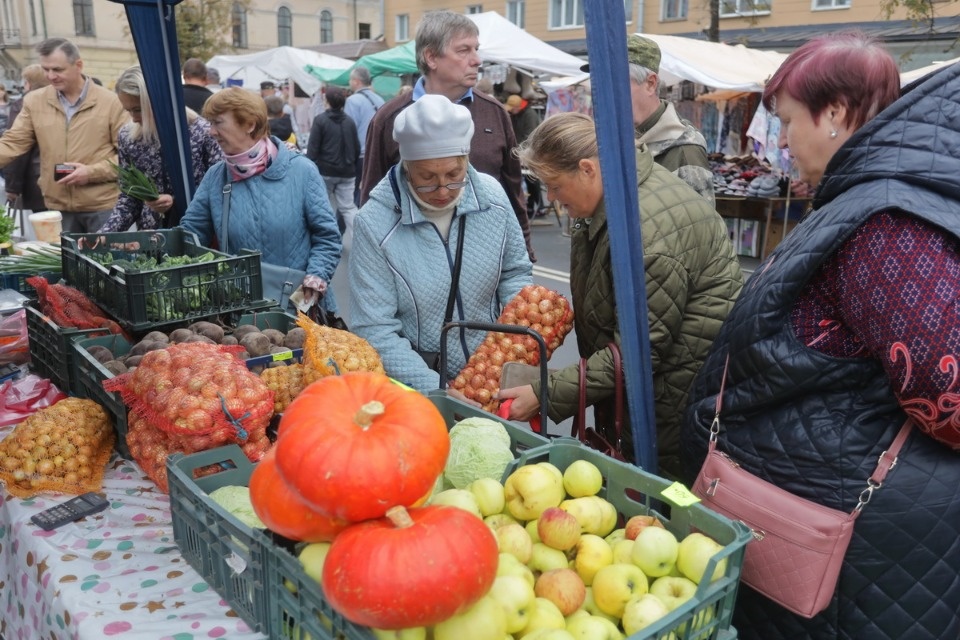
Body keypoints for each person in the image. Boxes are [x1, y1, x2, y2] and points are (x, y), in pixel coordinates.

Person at [681, 33, 960, 639]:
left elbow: (948, 396)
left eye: (785, 122)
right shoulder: (867, 201)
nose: (780, 142)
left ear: (834, 112)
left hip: (851, 555)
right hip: (822, 521)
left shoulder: (884, 222)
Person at [498, 112, 742, 479]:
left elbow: (636, 354)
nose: (550, 197)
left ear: (587, 169)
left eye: (554, 184)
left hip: (674, 403)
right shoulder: (616, 200)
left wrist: (545, 392)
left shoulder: (645, 232)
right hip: (653, 394)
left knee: (660, 500)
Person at [350, 94, 532, 392]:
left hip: (493, 374)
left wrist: (512, 346)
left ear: (467, 161)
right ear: (406, 166)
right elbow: (375, 327)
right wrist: (438, 389)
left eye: (454, 174)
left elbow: (514, 272)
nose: (443, 190)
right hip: (419, 381)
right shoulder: (375, 222)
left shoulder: (493, 198)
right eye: (427, 178)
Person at [360, 10, 536, 262]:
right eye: (464, 50)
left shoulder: (494, 113)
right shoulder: (389, 119)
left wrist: (524, 255)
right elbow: (372, 201)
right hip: (415, 266)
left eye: (476, 49)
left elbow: (513, 195)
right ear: (431, 56)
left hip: (485, 263)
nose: (477, 60)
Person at [179, 88, 342, 313]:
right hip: (240, 313)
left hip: (300, 310)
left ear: (250, 124)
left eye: (218, 123)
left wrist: (314, 281)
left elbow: (327, 237)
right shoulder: (216, 177)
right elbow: (191, 235)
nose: (211, 132)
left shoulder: (301, 171)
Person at [0, 37, 128, 232]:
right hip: (56, 207)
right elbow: (13, 143)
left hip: (102, 206)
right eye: (46, 69)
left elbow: (129, 158)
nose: (50, 76)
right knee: (64, 262)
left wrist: (91, 172)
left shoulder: (111, 103)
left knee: (106, 262)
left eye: (57, 70)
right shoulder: (35, 101)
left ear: (78, 65)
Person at [584, 35, 713, 205]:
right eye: (598, 83)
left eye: (613, 82)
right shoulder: (610, 137)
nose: (602, 93)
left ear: (651, 84)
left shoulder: (683, 151)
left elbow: (699, 227)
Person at [99, 65, 222, 232]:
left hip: (197, 235)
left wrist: (175, 200)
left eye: (138, 110)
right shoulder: (129, 137)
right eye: (128, 111)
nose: (134, 118)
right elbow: (130, 196)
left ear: (157, 102)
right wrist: (105, 234)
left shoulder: (201, 132)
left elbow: (217, 187)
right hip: (151, 239)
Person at [306, 86, 359, 242]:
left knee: (324, 207)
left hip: (325, 170)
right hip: (348, 171)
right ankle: (361, 240)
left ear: (326, 101)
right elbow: (356, 147)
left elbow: (312, 149)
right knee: (348, 208)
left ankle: (326, 241)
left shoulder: (320, 120)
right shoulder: (349, 121)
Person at [4, 65, 49, 215]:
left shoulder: (24, 104)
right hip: (64, 178)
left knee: (46, 231)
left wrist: (12, 187)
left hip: (36, 180)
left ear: (30, 83)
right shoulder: (59, 101)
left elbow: (17, 148)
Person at [344, 66, 384, 206]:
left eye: (350, 80)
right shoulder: (380, 99)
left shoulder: (352, 101)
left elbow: (349, 130)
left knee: (353, 194)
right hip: (378, 153)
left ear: (356, 81)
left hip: (360, 155)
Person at [505, 94, 545, 217]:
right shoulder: (518, 114)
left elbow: (530, 136)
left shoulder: (529, 115)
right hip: (523, 150)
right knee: (529, 180)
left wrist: (517, 149)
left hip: (531, 151)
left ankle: (539, 206)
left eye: (512, 108)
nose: (511, 110)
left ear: (518, 106)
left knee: (532, 179)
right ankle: (533, 206)